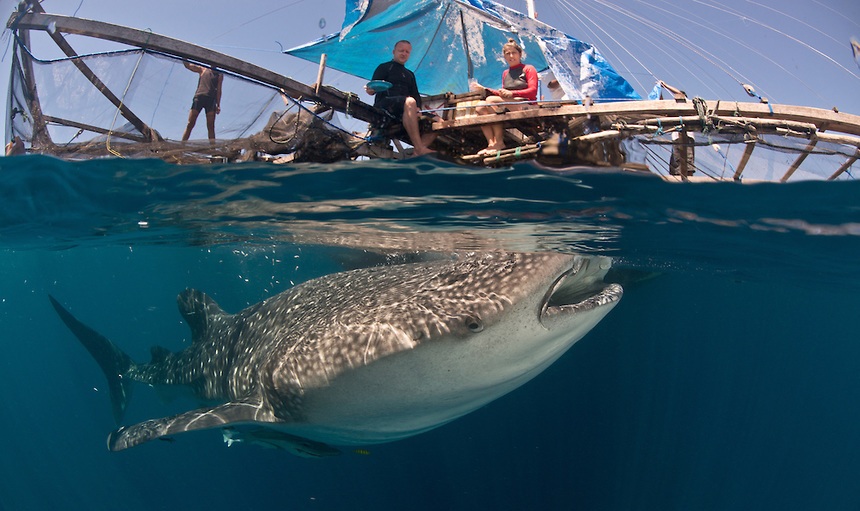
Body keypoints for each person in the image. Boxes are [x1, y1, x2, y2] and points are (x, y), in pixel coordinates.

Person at [365, 40, 435, 156]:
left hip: (406, 107)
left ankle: (416, 153)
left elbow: (416, 95)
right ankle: (419, 147)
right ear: (394, 52)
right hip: (386, 105)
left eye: (407, 52)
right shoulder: (384, 67)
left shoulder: (410, 74)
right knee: (410, 101)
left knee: (439, 122)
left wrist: (417, 109)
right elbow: (372, 88)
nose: (404, 53)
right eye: (401, 50)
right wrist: (370, 89)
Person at [470, 38, 538, 155]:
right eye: (508, 54)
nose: (511, 56)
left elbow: (533, 91)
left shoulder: (528, 69)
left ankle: (499, 142)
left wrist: (513, 94)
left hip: (526, 104)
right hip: (509, 104)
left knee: (491, 100)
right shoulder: (505, 73)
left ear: (520, 54)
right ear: (504, 57)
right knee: (480, 106)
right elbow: (502, 94)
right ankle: (491, 144)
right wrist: (485, 89)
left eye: (514, 53)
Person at [181, 61, 223, 142]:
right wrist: (184, 57)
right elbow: (189, 66)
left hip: (211, 100)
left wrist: (218, 104)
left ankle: (213, 151)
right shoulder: (203, 69)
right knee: (190, 123)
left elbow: (219, 90)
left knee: (211, 126)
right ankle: (181, 146)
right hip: (199, 97)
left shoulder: (219, 74)